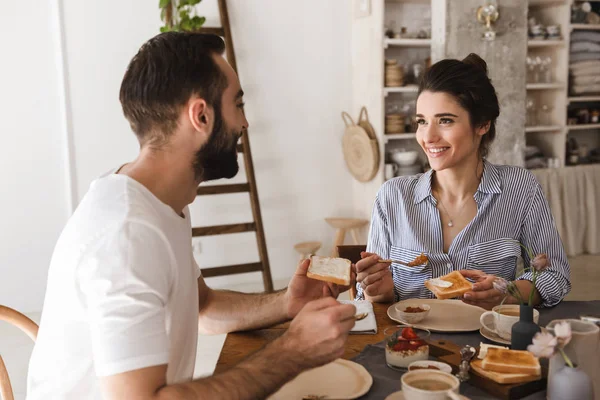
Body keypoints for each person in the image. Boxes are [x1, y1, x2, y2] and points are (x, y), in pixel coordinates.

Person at [27, 32, 357, 400]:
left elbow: (203, 307)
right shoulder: (126, 235)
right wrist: (293, 351)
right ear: (201, 115)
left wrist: (285, 303)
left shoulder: (160, 201)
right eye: (238, 105)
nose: (244, 124)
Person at [355, 53, 571, 310]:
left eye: (445, 120)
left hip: (489, 345)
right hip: (410, 345)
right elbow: (366, 301)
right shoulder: (392, 196)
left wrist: (508, 293)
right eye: (422, 121)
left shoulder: (520, 188)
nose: (429, 136)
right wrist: (380, 293)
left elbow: (555, 274)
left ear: (482, 124)